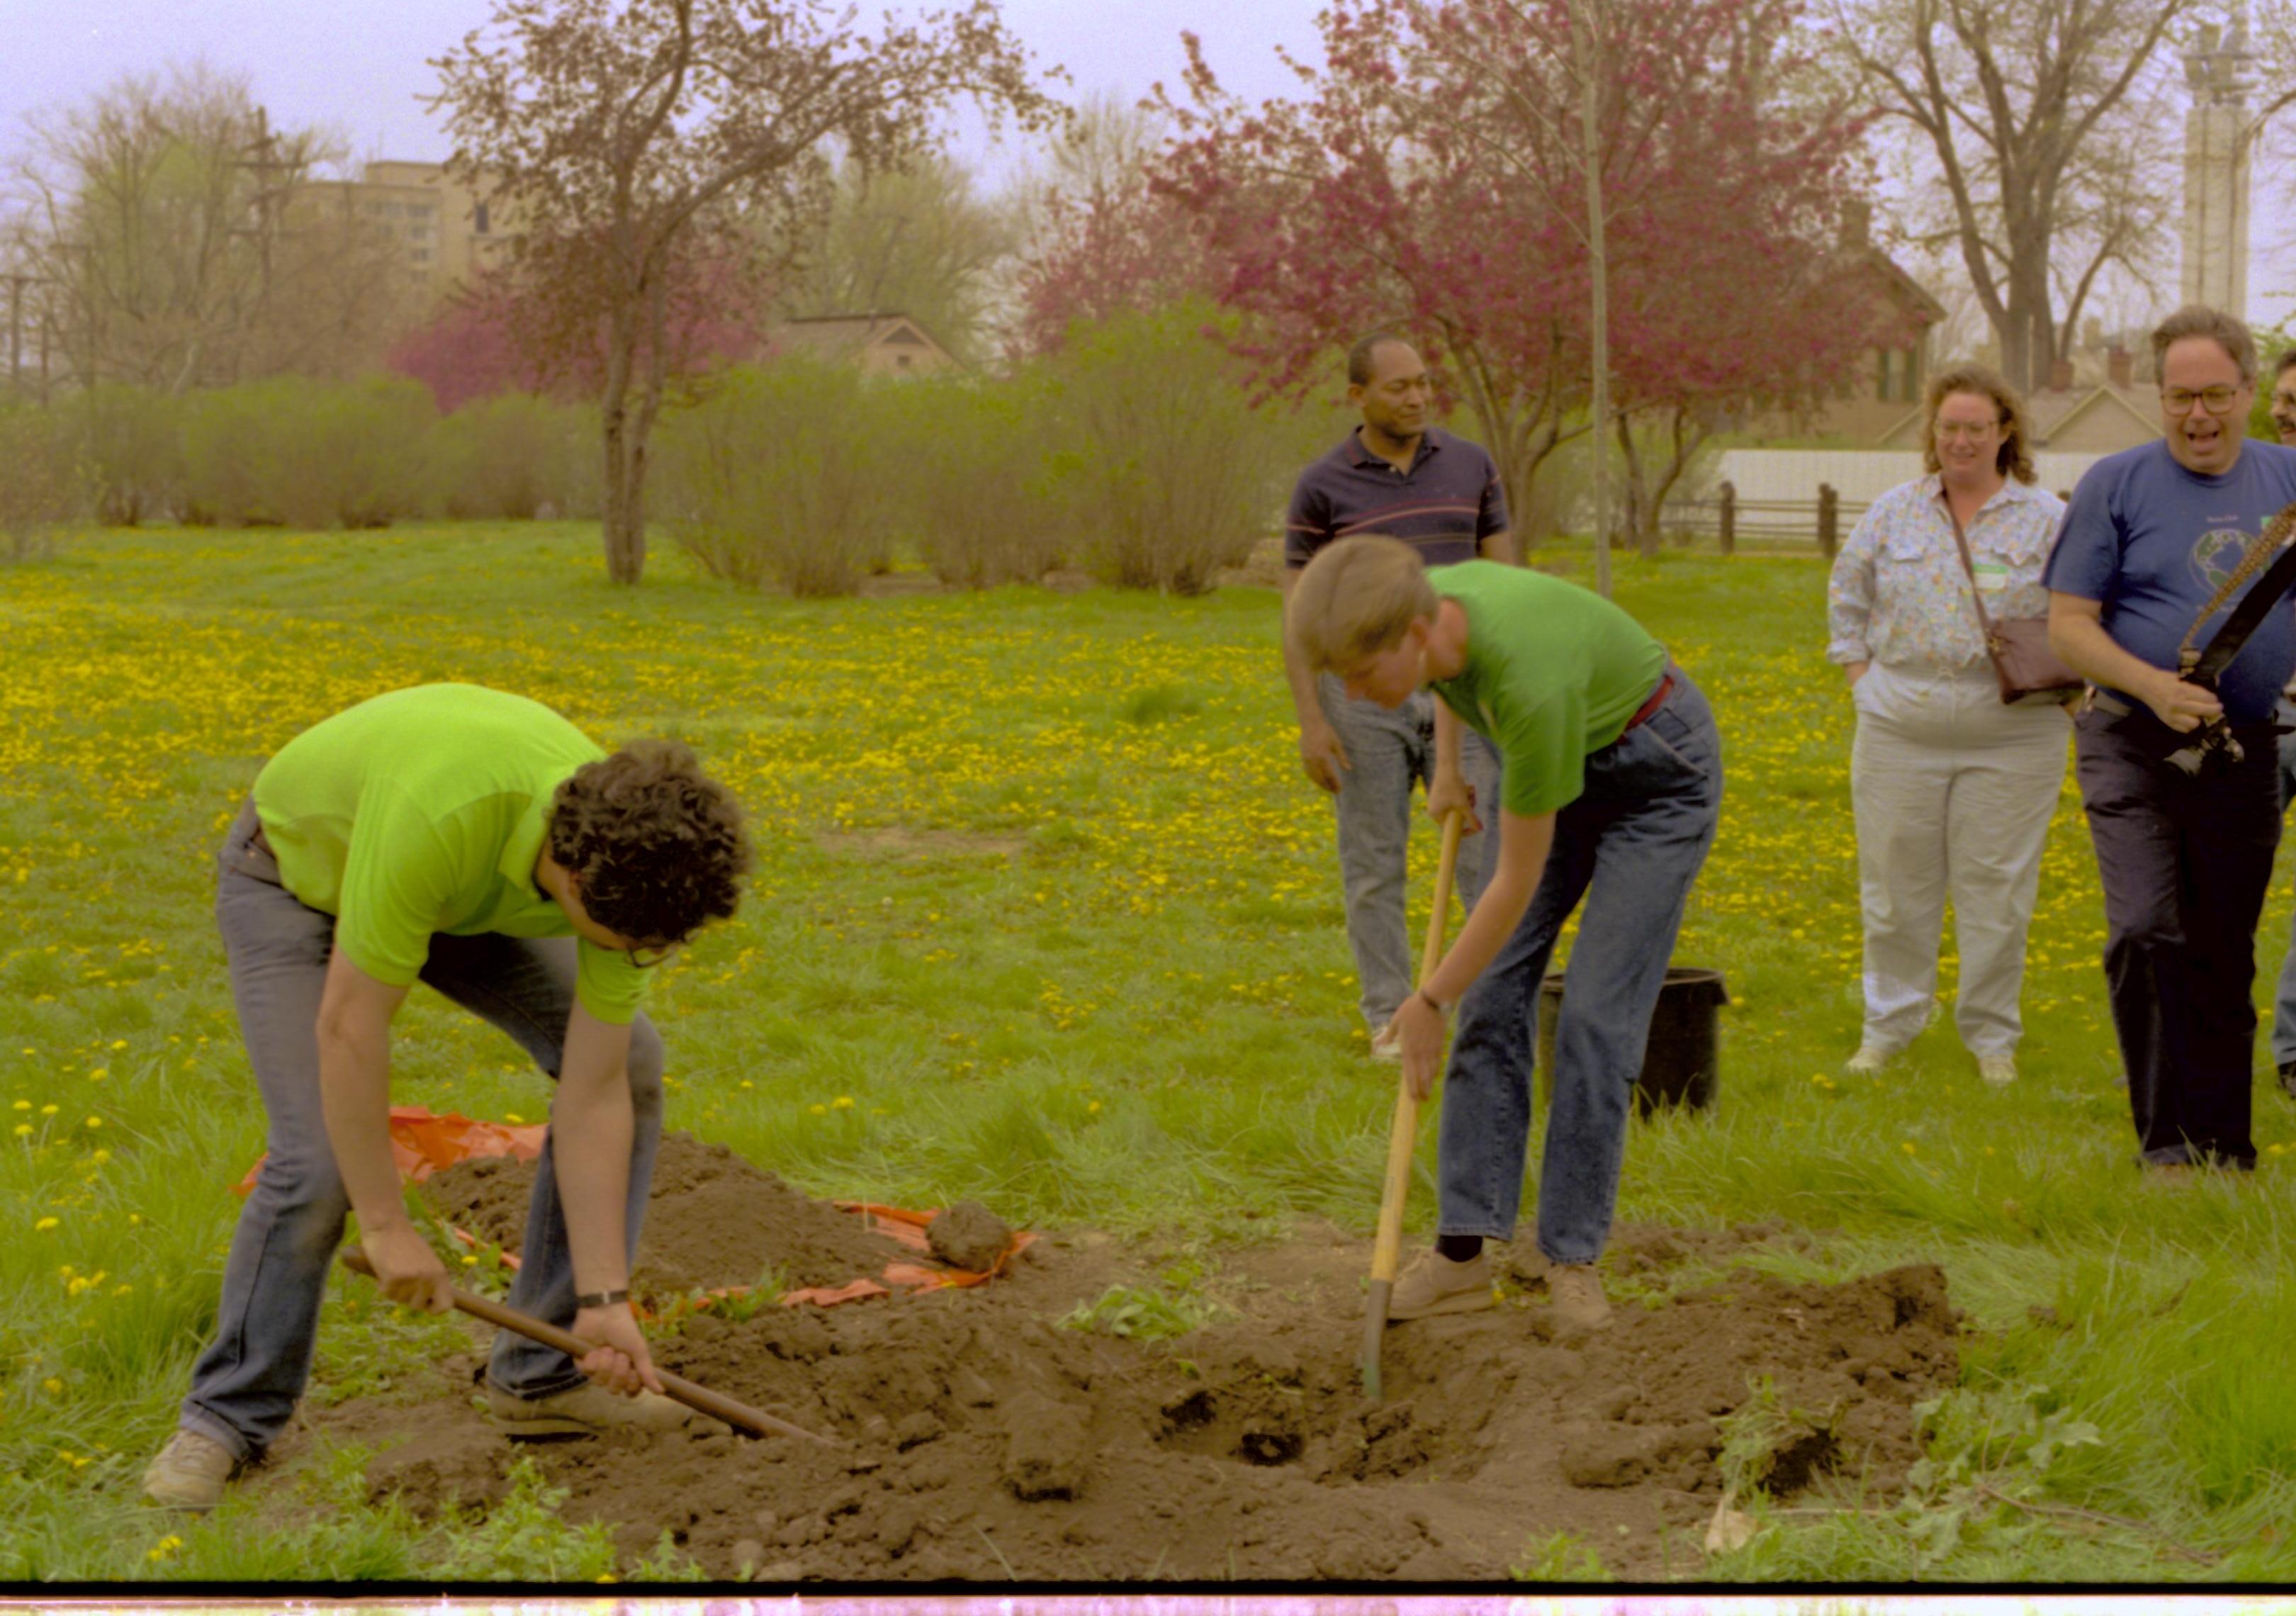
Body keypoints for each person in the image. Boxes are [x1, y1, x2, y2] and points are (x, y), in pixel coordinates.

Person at [142, 684, 753, 1510]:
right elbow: (350, 1030)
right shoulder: (443, 819)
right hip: (297, 876)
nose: (638, 958)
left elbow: (596, 1088)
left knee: (632, 1059)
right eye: (628, 944)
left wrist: (605, 1299)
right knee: (319, 1163)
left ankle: (542, 1380)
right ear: (571, 882)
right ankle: (224, 1419)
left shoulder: (630, 867)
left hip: (464, 896)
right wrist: (389, 1227)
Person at [1288, 536, 1721, 1331]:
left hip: (1656, 776)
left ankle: (1572, 1258)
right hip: (1555, 759)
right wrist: (1448, 767)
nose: (1350, 692)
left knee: (1593, 1015)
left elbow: (1516, 883)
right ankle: (1461, 1259)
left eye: (1358, 674)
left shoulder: (1530, 681)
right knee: (1492, 996)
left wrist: (1428, 998)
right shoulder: (1430, 598)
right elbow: (1455, 679)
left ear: (1411, 637)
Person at [2044, 306, 2296, 1176]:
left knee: (2225, 945)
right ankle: (2168, 1150)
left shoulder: (2291, 483)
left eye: (2217, 395)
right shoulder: (2114, 484)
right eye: (2182, 397)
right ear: (2159, 396)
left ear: (2249, 393)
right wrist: (2154, 685)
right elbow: (2069, 627)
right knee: (2149, 930)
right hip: (2131, 740)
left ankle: (2227, 1148)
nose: (2199, 416)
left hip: (2244, 747)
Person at [1825, 365, 2069, 1086]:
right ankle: (1889, 1026)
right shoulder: (1894, 512)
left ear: (2005, 433)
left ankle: (1992, 1038)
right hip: (1902, 721)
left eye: (1977, 428)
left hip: (2013, 729)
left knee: (1998, 890)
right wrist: (1860, 681)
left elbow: (2084, 604)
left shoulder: (2049, 518)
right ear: (1933, 434)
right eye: (1949, 427)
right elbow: (1847, 593)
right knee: (1896, 886)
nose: (1962, 440)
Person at [1283, 332, 1512, 1060]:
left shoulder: (1472, 465)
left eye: (1422, 384)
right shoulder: (1322, 485)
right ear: (1358, 397)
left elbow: (1506, 585)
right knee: (1374, 861)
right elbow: (1301, 618)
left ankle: (1481, 1010)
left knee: (1484, 857)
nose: (1415, 398)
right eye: (1397, 387)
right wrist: (1313, 719)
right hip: (1365, 700)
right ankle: (1388, 1016)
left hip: (1463, 689)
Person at [2263, 346, 2296, 1097]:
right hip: (2254, 719)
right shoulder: (2253, 493)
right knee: (2218, 891)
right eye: (2283, 399)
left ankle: (2293, 1055)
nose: (2286, 409)